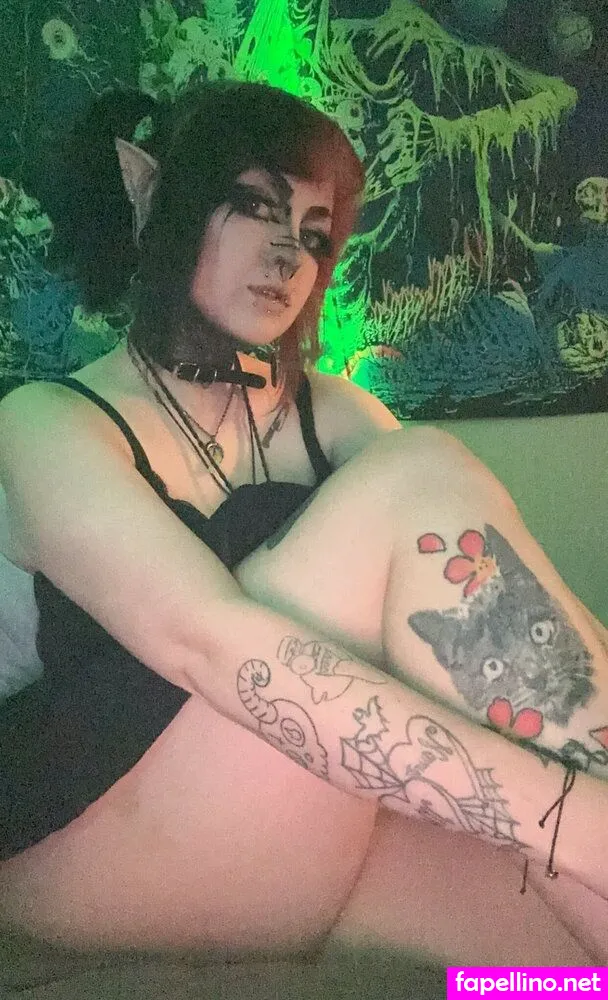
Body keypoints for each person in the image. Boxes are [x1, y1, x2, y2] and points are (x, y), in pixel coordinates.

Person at [0, 82, 607, 976]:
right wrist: (572, 819)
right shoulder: (46, 423)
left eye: (315, 235)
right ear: (149, 192)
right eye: (252, 207)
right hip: (94, 855)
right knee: (417, 475)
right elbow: (209, 642)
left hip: (298, 836)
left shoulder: (336, 412)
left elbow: (501, 613)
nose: (289, 256)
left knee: (563, 973)